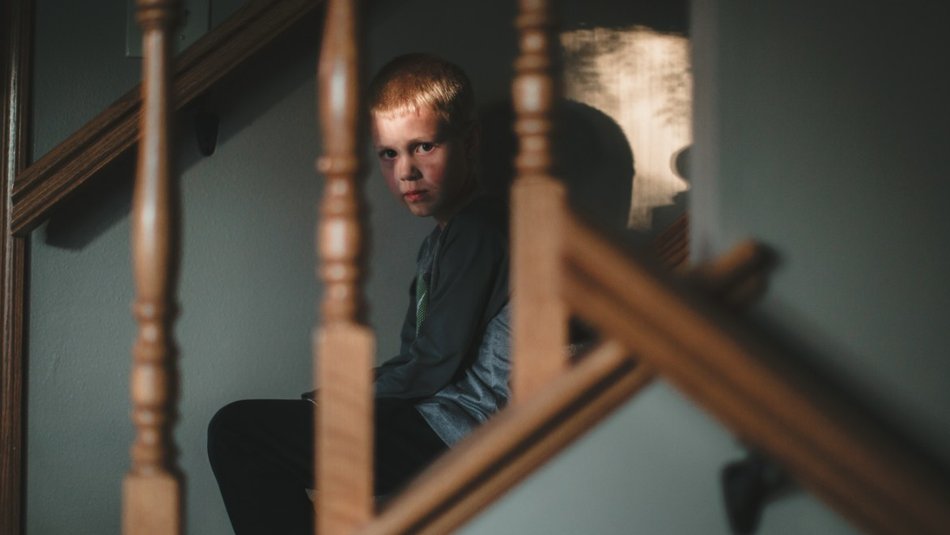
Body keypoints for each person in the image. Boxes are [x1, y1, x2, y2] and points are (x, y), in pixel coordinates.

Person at [207, 53, 511, 535]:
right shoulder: (440, 242)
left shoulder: (478, 229)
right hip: (434, 415)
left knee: (238, 431)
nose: (406, 171)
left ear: (469, 142)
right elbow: (420, 354)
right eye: (389, 154)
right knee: (254, 430)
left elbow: (434, 363)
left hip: (460, 426)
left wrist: (347, 398)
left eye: (424, 147)